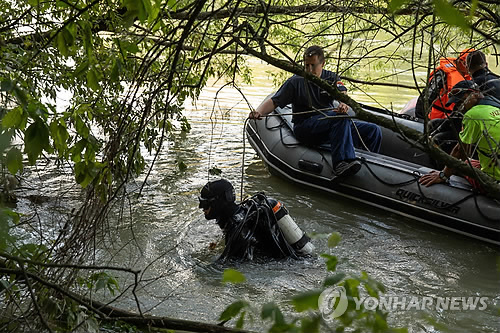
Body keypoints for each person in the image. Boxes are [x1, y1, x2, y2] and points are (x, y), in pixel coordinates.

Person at [248, 45, 382, 177]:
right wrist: (258, 112)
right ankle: (340, 164)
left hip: (328, 125)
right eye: (307, 65)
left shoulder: (331, 78)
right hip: (305, 127)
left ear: (322, 63)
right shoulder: (296, 81)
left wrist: (343, 103)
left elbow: (343, 94)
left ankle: (370, 168)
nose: (309, 70)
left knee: (373, 130)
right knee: (338, 118)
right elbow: (274, 101)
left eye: (313, 65)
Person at [198, 179, 314, 262]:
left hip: (294, 267)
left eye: (205, 203)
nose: (201, 207)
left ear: (218, 203)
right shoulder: (243, 214)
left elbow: (237, 266)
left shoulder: (239, 231)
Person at [419, 80, 500, 188]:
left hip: (493, 181)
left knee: (463, 164)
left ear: (474, 94)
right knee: (472, 161)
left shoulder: (473, 115)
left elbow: (460, 152)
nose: (459, 107)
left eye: (460, 102)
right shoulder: (496, 104)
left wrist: (443, 175)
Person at [415, 50, 472, 120]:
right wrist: (421, 119)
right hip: (436, 118)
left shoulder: (470, 77)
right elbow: (426, 97)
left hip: (455, 119)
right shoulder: (442, 74)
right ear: (462, 62)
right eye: (470, 65)